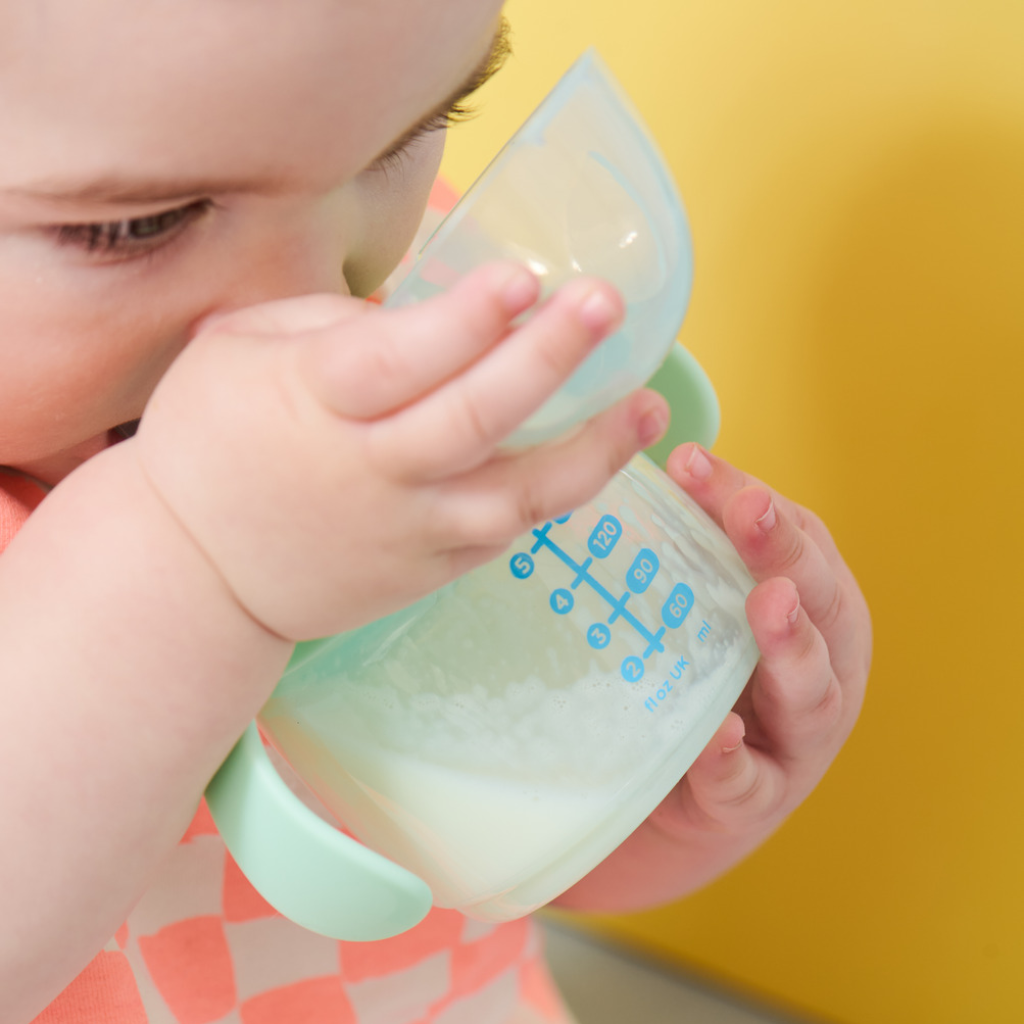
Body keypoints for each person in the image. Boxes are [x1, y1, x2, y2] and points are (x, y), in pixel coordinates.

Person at [0, 1, 872, 1021]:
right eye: (137, 225)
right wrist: (194, 555)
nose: (320, 303)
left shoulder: (412, 296)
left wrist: (662, 802)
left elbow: (469, 820)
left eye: (405, 135)